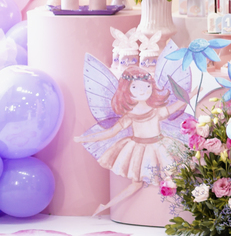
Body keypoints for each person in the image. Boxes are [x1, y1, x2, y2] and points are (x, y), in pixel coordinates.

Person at [75, 66, 188, 216]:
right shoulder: (130, 115)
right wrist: (85, 138)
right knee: (136, 184)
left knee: (172, 175)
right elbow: (111, 132)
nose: (142, 90)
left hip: (160, 146)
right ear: (126, 90)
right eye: (135, 87)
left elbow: (177, 105)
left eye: (147, 86)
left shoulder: (156, 111)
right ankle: (106, 206)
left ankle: (177, 210)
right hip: (139, 150)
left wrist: (192, 94)